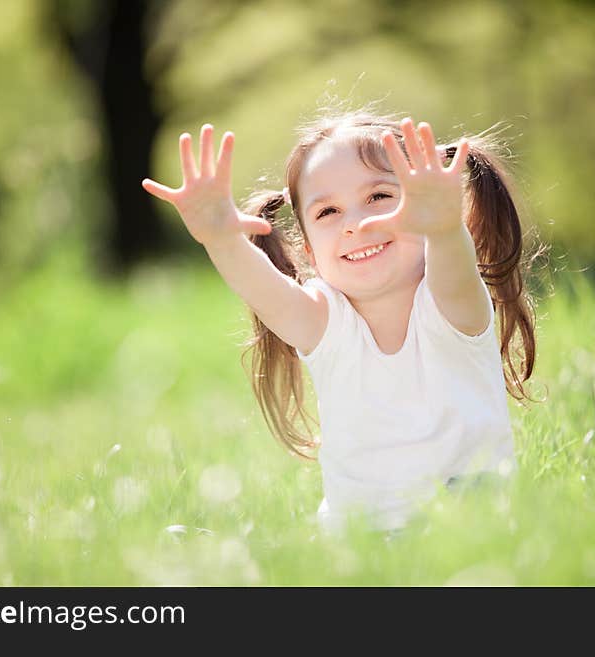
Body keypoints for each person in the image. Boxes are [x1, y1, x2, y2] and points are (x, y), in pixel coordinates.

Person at [142, 102, 543, 536]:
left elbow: (453, 265)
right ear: (309, 251)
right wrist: (220, 239)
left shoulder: (452, 303)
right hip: (357, 542)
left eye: (379, 197)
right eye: (328, 212)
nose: (356, 223)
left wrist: (445, 227)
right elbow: (270, 296)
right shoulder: (325, 321)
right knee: (183, 543)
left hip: (467, 528)